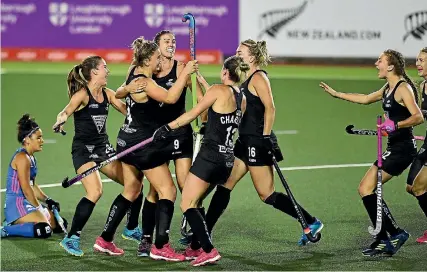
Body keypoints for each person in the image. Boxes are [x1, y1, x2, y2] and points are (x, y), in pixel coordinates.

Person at [200, 39, 323, 247]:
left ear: (253, 56)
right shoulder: (244, 77)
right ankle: (204, 233)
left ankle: (311, 221)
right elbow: (224, 91)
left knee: (267, 195)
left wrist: (266, 137)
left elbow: (270, 108)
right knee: (225, 184)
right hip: (244, 142)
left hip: (258, 142)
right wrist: (201, 81)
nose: (237, 53)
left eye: (242, 51)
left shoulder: (259, 77)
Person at [94, 37, 197, 259]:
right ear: (150, 59)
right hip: (143, 146)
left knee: (132, 189)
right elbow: (170, 98)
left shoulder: (133, 72)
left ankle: (105, 239)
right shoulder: (147, 82)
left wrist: (125, 89)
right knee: (167, 190)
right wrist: (186, 73)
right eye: (158, 58)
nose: (161, 61)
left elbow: (120, 92)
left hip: (126, 140)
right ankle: (160, 247)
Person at [319, 49, 424, 256]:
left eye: (380, 61)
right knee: (367, 189)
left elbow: (418, 117)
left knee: (366, 188)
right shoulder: (388, 87)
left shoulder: (403, 89)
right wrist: (337, 94)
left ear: (391, 66)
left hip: (402, 150)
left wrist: (396, 125)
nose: (376, 64)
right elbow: (366, 98)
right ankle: (386, 235)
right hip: (393, 148)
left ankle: (392, 233)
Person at [153, 55, 248, 266]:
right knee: (197, 202)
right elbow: (216, 100)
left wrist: (168, 127)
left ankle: (208, 249)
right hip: (226, 161)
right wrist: (200, 79)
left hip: (209, 158)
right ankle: (196, 247)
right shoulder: (242, 97)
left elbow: (194, 113)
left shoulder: (217, 90)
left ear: (225, 72)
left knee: (187, 203)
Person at [52, 56, 145, 257]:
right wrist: (61, 120)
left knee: (135, 184)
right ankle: (71, 238)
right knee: (95, 191)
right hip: (84, 150)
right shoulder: (83, 94)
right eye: (104, 67)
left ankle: (130, 227)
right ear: (94, 72)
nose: (108, 71)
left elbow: (127, 111)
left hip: (103, 148)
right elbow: (66, 111)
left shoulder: (108, 94)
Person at [137, 30, 206, 253]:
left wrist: (197, 79)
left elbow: (199, 98)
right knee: (155, 190)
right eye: (167, 41)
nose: (172, 44)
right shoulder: (150, 69)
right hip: (156, 135)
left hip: (179, 133)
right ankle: (147, 238)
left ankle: (197, 237)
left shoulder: (181, 67)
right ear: (156, 46)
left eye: (174, 41)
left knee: (186, 185)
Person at [1, 114, 65, 238]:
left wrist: (48, 200)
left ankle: (19, 223)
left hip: (26, 202)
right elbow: (26, 189)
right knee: (45, 229)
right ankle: (6, 229)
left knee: (58, 224)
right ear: (27, 140)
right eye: (39, 138)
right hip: (16, 205)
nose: (42, 141)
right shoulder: (22, 158)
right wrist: (39, 208)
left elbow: (32, 185)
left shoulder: (30, 158)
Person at [406, 47, 427, 244]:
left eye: (422, 60)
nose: (418, 63)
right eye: (417, 60)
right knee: (410, 186)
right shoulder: (423, 86)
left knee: (420, 187)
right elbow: (419, 115)